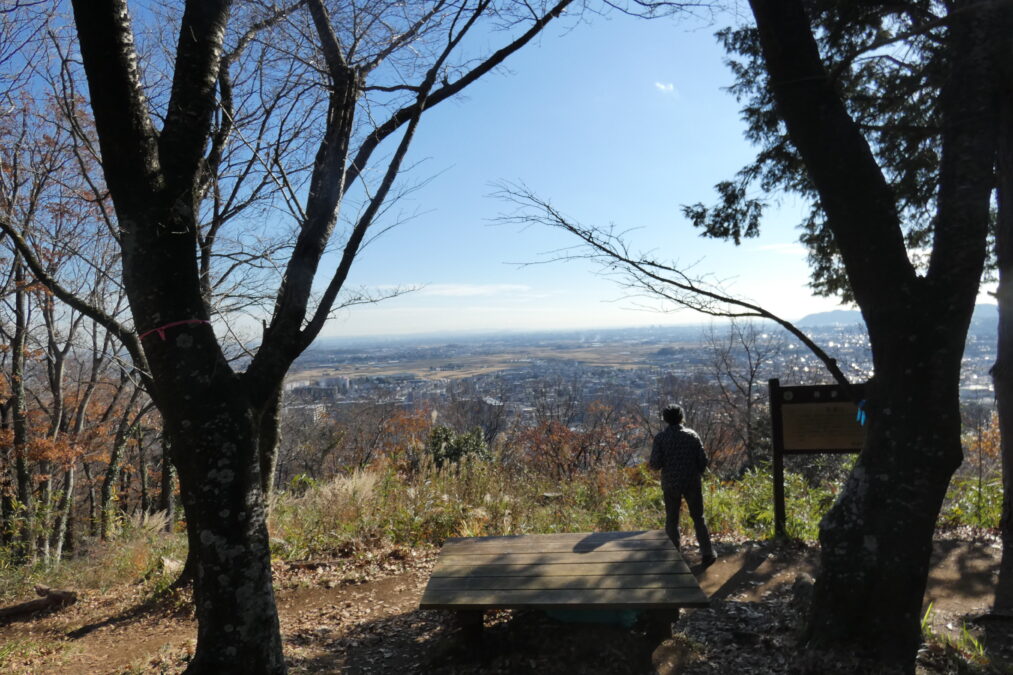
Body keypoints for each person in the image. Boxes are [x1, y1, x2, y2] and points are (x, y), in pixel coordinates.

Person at [649, 403, 715, 566]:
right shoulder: (691, 435)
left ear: (665, 419)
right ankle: (707, 553)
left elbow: (655, 464)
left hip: (670, 482)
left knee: (672, 519)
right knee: (698, 518)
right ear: (681, 417)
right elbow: (703, 460)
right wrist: (696, 472)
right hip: (691, 481)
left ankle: (673, 555)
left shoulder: (661, 438)